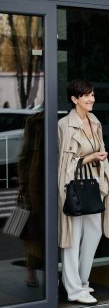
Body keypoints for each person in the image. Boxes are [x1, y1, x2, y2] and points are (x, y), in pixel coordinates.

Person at [58, 79, 109, 305]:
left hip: (94, 185)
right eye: (86, 96)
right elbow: (64, 163)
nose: (91, 99)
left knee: (94, 233)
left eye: (92, 94)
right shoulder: (65, 124)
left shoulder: (94, 121)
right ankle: (73, 289)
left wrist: (98, 160)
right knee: (73, 236)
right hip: (73, 186)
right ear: (75, 99)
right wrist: (90, 157)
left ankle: (83, 282)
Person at [18, 109, 44, 288]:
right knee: (36, 226)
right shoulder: (34, 121)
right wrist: (23, 183)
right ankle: (31, 267)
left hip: (59, 176)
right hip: (37, 180)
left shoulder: (63, 118)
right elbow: (24, 155)